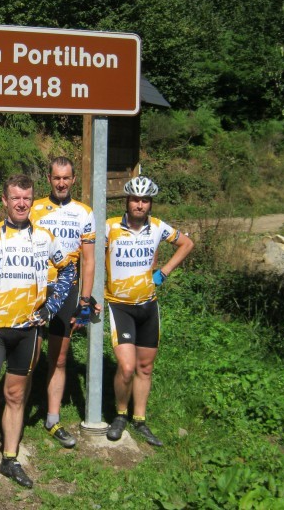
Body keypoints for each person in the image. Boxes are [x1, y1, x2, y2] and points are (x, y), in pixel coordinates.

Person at [0, 174, 76, 497]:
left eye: (27, 198)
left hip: (28, 331)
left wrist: (51, 308)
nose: (21, 203)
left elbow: (68, 271)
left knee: (14, 396)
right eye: (15, 198)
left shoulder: (45, 237)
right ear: (4, 201)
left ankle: (10, 458)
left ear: (32, 201)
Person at [104, 176, 194, 447]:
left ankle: (140, 420)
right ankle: (120, 413)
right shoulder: (109, 227)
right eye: (135, 199)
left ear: (150, 203)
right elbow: (89, 253)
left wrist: (163, 272)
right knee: (127, 366)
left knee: (145, 366)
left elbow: (186, 244)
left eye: (144, 200)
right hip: (119, 306)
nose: (139, 205)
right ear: (127, 201)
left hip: (148, 305)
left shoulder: (157, 227)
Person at [29, 157, 97, 448]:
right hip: (36, 286)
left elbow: (90, 260)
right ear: (49, 178)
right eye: (56, 178)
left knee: (58, 357)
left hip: (67, 290)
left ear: (73, 180)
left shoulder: (84, 212)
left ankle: (52, 419)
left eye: (66, 178)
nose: (61, 183)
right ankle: (17, 410)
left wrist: (84, 300)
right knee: (29, 355)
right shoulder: (34, 209)